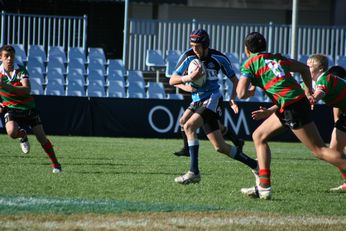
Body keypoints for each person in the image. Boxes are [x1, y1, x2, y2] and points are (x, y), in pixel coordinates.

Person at [236, 32, 346, 199]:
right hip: (291, 103)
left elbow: (241, 93)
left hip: (291, 105)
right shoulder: (276, 58)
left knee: (319, 150)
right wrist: (309, 90)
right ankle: (264, 186)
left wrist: (250, 90)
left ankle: (264, 185)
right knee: (259, 136)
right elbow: (303, 69)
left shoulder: (250, 63)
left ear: (246, 50)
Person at [169, 29, 258, 184]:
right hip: (197, 100)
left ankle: (194, 172)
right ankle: (255, 165)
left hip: (212, 98)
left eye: (197, 46)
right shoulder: (188, 56)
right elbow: (172, 80)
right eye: (192, 45)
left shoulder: (219, 58)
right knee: (220, 147)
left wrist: (232, 99)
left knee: (189, 126)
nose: (194, 49)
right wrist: (189, 78)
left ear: (206, 46)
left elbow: (235, 80)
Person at [0, 45, 62, 173]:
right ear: (1, 58)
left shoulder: (21, 71)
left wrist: (7, 86)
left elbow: (27, 90)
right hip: (11, 108)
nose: (9, 58)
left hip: (28, 108)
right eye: (6, 56)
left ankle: (56, 164)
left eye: (12, 55)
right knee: (11, 132)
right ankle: (22, 134)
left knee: (41, 138)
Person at [306, 56, 346, 191]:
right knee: (334, 152)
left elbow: (318, 94)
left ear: (321, 69)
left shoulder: (325, 79)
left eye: (310, 66)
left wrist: (313, 99)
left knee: (334, 152)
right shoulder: (311, 82)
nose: (307, 68)